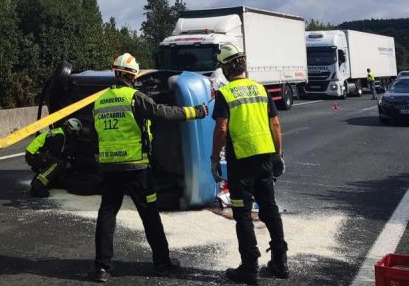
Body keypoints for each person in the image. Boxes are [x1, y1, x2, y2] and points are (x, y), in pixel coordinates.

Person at [91, 53, 208, 282]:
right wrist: (196, 112)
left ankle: (102, 268)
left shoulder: (99, 101)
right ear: (133, 76)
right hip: (137, 169)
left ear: (116, 73)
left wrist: (100, 161)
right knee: (150, 216)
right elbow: (162, 113)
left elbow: (96, 136)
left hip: (110, 169)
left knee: (106, 216)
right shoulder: (135, 98)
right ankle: (162, 264)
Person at [209, 43, 289, 285]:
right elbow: (275, 124)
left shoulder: (226, 93)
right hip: (265, 159)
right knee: (269, 209)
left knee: (242, 214)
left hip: (241, 163)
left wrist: (214, 159)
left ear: (226, 67)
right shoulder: (261, 89)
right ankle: (280, 262)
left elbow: (222, 128)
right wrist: (278, 155)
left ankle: (250, 267)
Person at [25, 118, 82, 198]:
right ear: (70, 128)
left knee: (58, 162)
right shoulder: (60, 136)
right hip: (34, 154)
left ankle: (44, 182)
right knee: (57, 163)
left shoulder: (60, 132)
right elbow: (55, 155)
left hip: (34, 153)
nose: (74, 135)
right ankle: (38, 185)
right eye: (74, 132)